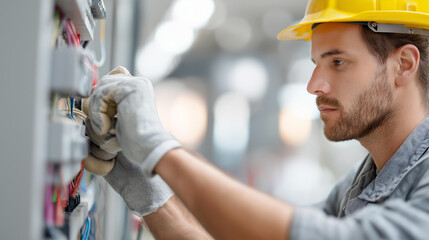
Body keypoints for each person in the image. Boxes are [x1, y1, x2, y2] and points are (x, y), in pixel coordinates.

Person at [83, 0, 429, 239]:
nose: (313, 86)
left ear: (404, 65)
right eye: (315, 64)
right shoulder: (361, 185)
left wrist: (158, 149)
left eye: (337, 62)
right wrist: (149, 194)